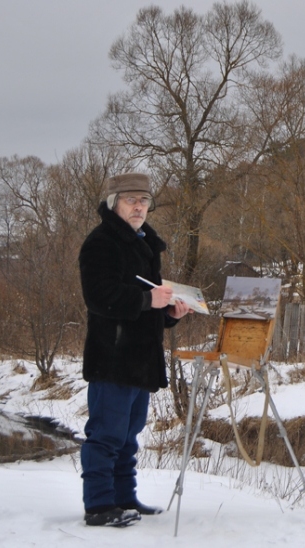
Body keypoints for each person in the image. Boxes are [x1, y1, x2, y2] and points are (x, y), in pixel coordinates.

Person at [78, 172, 191, 527]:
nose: (139, 207)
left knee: (129, 436)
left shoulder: (143, 243)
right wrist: (147, 298)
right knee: (106, 434)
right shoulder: (101, 243)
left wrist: (170, 312)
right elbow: (99, 297)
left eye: (144, 201)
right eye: (131, 200)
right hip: (112, 356)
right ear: (115, 203)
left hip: (140, 357)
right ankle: (98, 505)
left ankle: (124, 498)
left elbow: (149, 306)